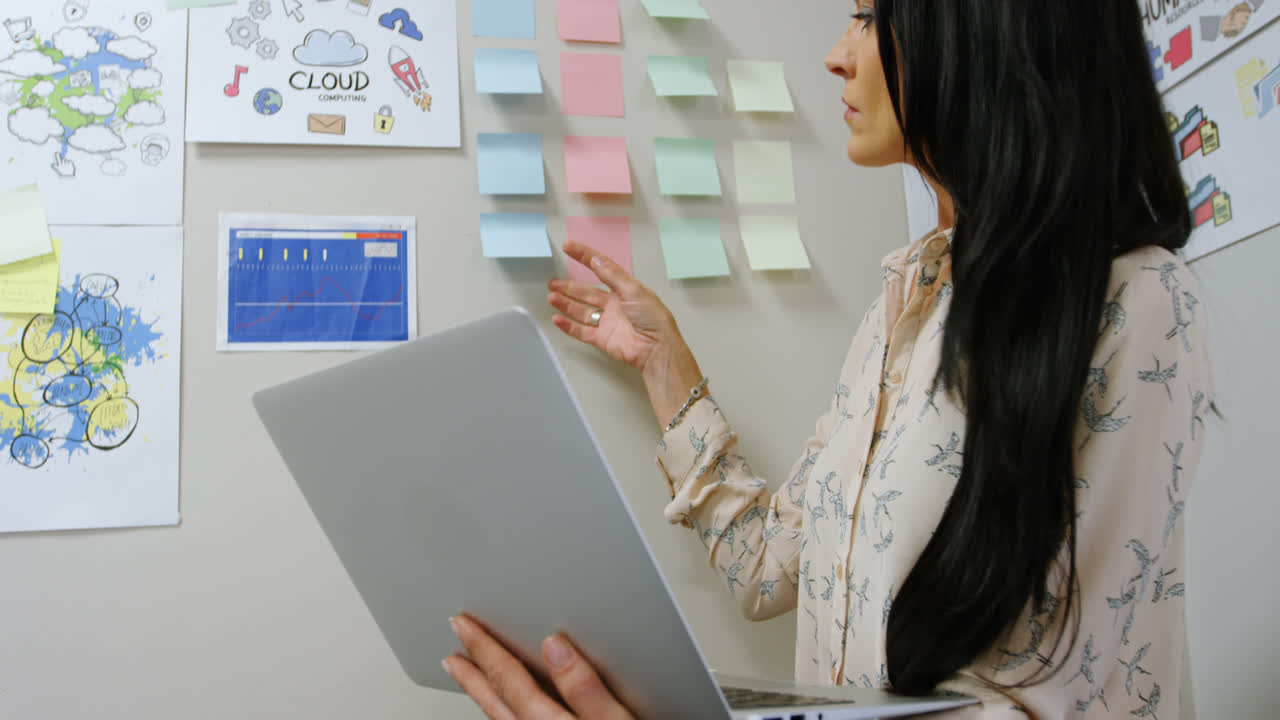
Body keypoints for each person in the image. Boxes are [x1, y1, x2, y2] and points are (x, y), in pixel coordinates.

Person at [442, 1, 1214, 717]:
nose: (836, 55)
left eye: (868, 17)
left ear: (983, 30)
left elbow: (1068, 697)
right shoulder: (904, 304)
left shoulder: (1139, 300)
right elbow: (769, 569)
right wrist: (662, 364)